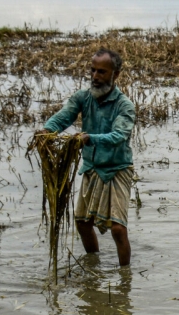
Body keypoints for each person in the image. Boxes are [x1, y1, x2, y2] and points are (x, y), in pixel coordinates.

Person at [41, 49, 136, 267]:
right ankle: (93, 264)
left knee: (118, 229)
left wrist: (88, 138)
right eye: (92, 70)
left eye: (102, 72)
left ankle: (125, 277)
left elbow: (119, 136)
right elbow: (63, 117)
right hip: (92, 167)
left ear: (116, 75)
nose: (95, 76)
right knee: (83, 222)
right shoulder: (83, 98)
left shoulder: (124, 105)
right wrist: (47, 131)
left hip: (117, 169)